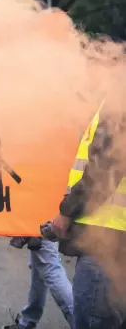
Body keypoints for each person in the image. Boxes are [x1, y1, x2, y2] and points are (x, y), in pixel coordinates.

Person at [50, 80, 126, 329]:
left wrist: (67, 212)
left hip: (104, 241)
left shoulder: (118, 101)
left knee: (94, 320)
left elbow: (103, 171)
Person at [2, 238, 74, 329]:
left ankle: (80, 322)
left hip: (38, 225)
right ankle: (28, 320)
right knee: (39, 268)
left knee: (50, 269)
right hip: (38, 226)